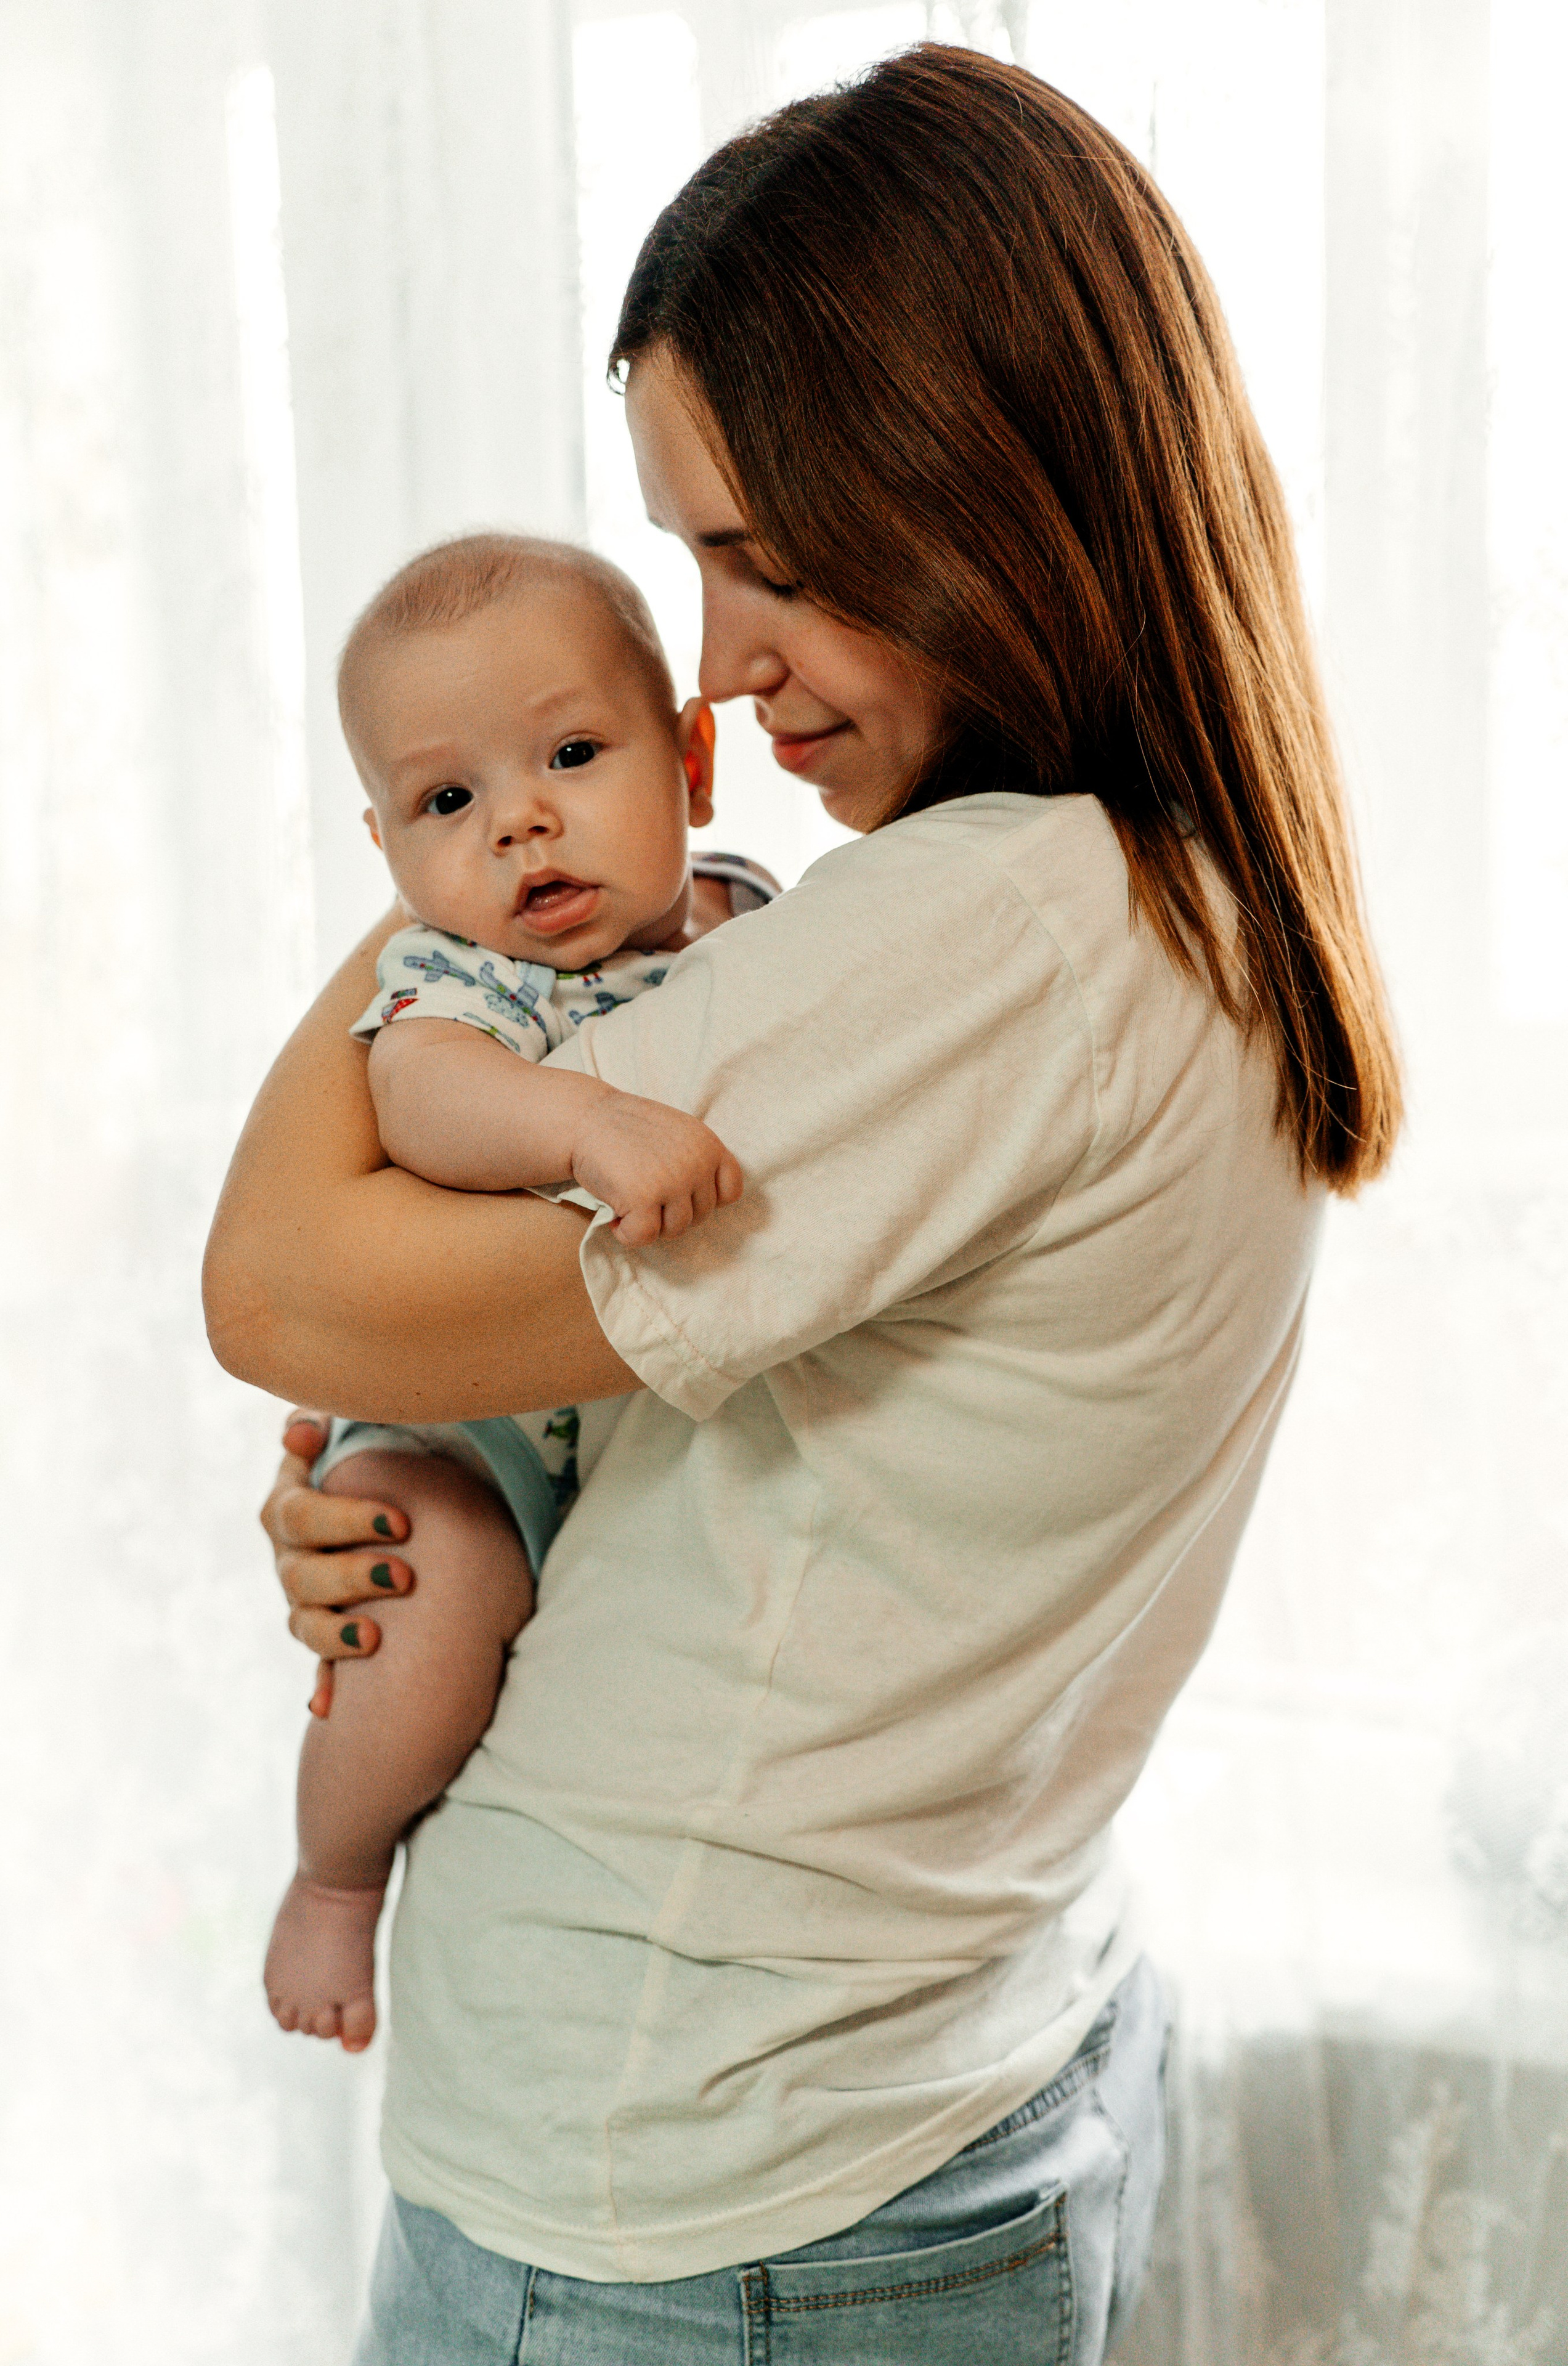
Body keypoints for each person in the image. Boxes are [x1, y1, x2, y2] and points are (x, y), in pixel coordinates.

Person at [204, 44, 1401, 2365]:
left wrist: (468, 836)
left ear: (978, 489)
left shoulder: (975, 937)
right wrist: (436, 1518)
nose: (725, 669)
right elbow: (685, 1443)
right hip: (925, 2058)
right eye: (683, 569)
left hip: (684, 2176)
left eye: (769, 559)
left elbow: (278, 1281)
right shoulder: (1189, 888)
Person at [263, 531, 774, 2055]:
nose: (521, 823)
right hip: (465, 1428)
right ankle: (337, 1876)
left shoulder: (764, 921)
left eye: (568, 752)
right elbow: (422, 1105)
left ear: (691, 763)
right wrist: (584, 1125)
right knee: (427, 1606)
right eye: (447, 801)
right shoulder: (466, 983)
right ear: (387, 853)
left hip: (636, 1445)